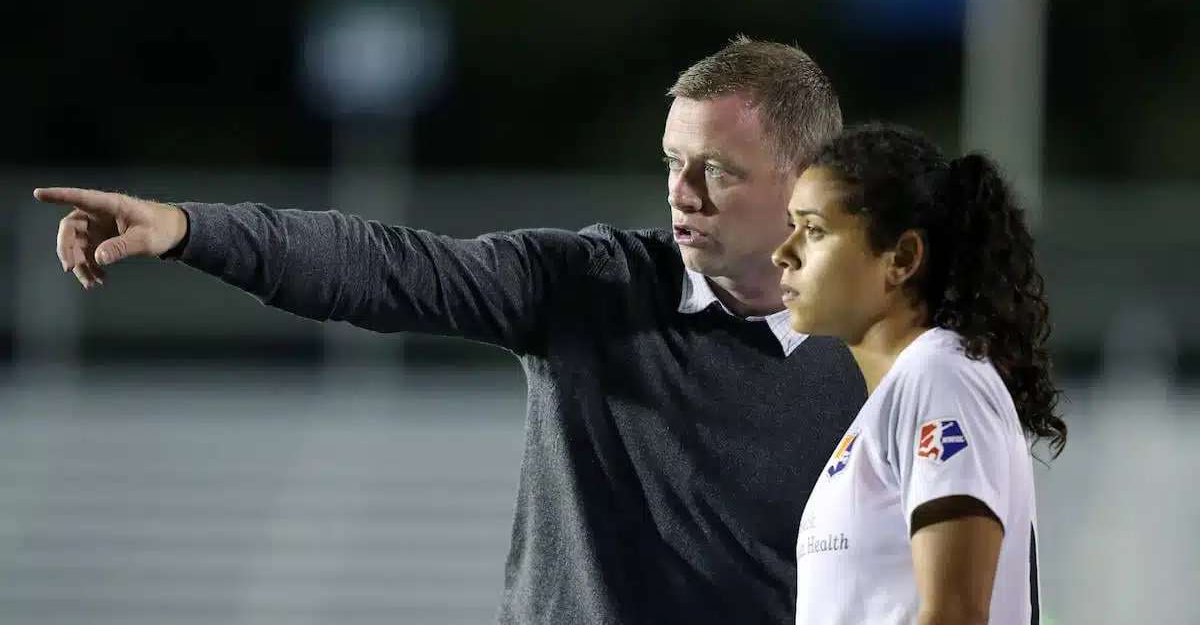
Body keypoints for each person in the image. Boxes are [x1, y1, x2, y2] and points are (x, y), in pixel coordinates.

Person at [37, 37, 867, 625]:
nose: (681, 193)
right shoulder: (590, 285)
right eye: (670, 163)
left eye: (715, 169)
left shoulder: (894, 355)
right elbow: (383, 264)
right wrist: (193, 229)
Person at [771, 122, 1067, 624]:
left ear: (902, 258)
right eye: (790, 227)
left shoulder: (940, 376)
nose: (785, 252)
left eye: (814, 229)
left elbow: (955, 614)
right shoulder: (892, 400)